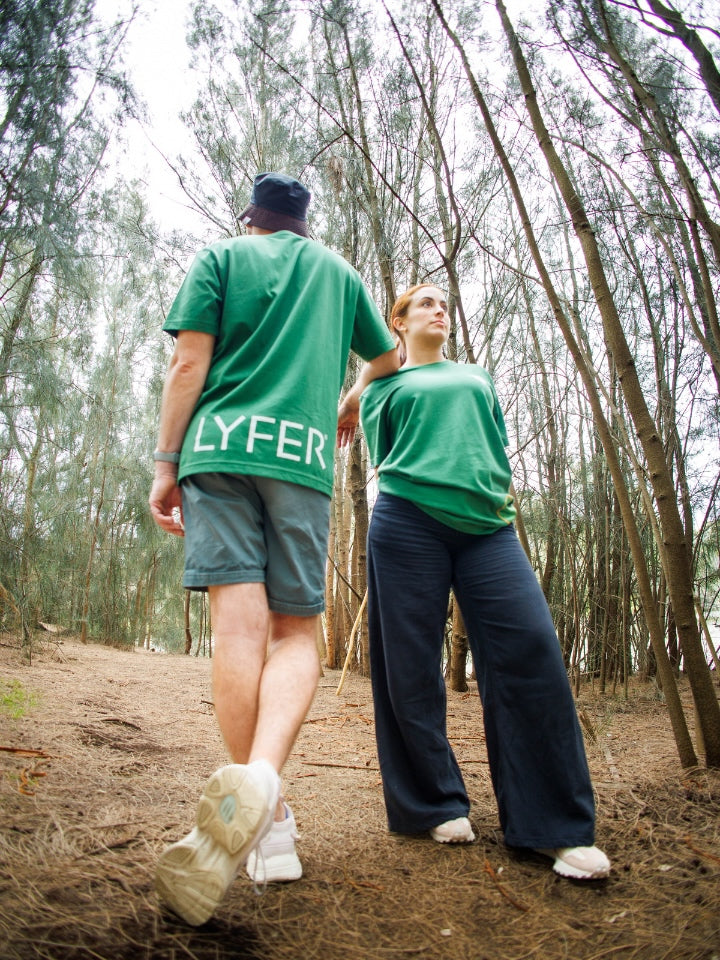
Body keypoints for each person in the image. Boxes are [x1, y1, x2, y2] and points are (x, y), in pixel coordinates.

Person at [149, 172, 398, 925]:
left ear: (251, 220)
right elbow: (386, 361)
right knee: (296, 633)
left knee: (239, 631)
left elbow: (187, 364)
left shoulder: (221, 257)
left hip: (217, 452)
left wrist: (165, 463)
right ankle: (263, 780)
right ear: (303, 222)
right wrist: (345, 403)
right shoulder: (339, 273)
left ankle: (271, 823)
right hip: (299, 461)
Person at [340, 283, 610, 881]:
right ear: (399, 322)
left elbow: (494, 447)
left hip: (489, 528)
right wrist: (358, 389)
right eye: (426, 303)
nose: (441, 309)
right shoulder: (383, 382)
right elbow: (365, 386)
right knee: (408, 666)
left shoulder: (477, 377)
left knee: (531, 651)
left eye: (445, 303)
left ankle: (554, 827)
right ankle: (433, 802)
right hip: (407, 519)